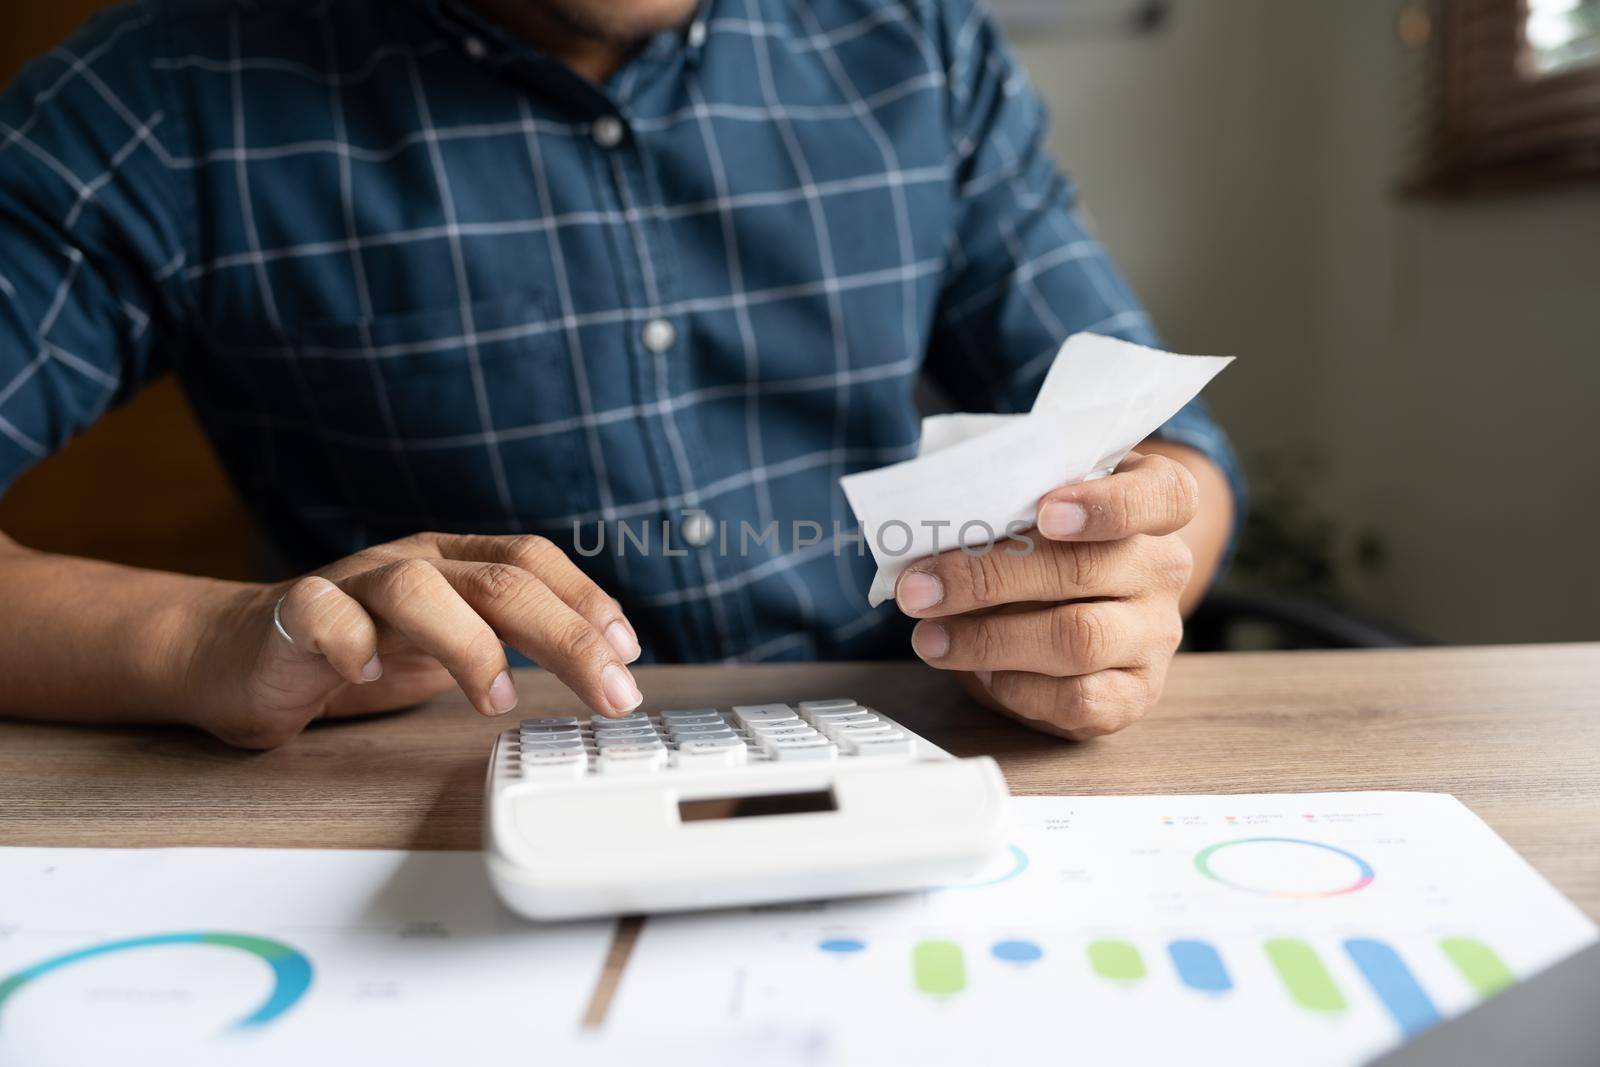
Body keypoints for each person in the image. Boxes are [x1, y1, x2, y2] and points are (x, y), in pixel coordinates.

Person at [0, 0, 1243, 749]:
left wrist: (1124, 578)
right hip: (437, 773)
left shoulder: (912, 42)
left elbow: (1166, 450)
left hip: (920, 742)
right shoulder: (160, 95)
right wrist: (204, 637)